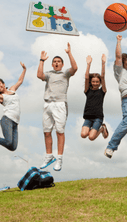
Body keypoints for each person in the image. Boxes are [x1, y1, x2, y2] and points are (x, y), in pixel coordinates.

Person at [37, 43, 77, 171]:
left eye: (59, 61)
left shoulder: (65, 73)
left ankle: (59, 159)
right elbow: (39, 75)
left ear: (62, 64)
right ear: (52, 64)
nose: (56, 63)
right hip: (48, 103)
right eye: (54, 61)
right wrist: (42, 60)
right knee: (46, 131)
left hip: (60, 104)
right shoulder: (48, 74)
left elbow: (75, 68)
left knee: (59, 131)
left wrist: (69, 53)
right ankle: (49, 156)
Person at [81, 54, 109, 141]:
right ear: (91, 82)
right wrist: (88, 64)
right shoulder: (87, 90)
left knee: (91, 137)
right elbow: (86, 77)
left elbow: (103, 77)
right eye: (93, 81)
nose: (95, 83)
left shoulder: (102, 91)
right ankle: (93, 129)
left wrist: (103, 63)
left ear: (100, 83)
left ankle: (101, 129)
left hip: (98, 117)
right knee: (83, 135)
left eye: (97, 82)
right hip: (88, 117)